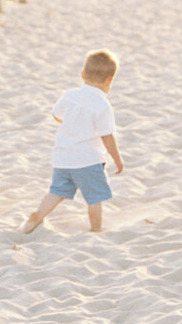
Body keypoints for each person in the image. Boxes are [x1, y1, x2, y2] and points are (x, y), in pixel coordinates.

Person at [20, 49, 124, 234]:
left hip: (63, 157)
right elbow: (107, 136)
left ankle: (37, 216)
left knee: (56, 191)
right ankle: (96, 229)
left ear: (82, 74)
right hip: (87, 161)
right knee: (94, 198)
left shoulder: (69, 95)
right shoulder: (102, 105)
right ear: (110, 81)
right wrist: (117, 158)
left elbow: (56, 114)